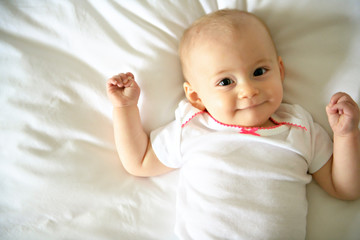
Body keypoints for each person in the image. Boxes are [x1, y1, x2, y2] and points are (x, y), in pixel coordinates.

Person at [106, 9, 360, 240]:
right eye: (226, 82)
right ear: (196, 96)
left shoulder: (300, 127)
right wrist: (125, 108)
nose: (248, 90)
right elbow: (138, 162)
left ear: (280, 71)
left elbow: (345, 188)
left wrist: (346, 135)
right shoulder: (192, 127)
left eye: (259, 72)